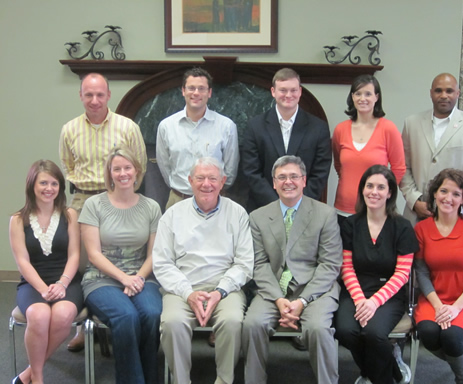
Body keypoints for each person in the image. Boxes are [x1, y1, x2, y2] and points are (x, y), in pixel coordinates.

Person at [59, 72, 147, 351]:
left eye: (100, 94)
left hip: (119, 200)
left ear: (109, 95)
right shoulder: (69, 129)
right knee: (82, 265)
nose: (94, 100)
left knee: (121, 259)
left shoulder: (127, 127)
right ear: (81, 96)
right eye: (88, 95)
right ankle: (84, 327)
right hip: (83, 201)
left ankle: (121, 311)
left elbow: (139, 165)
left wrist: (121, 193)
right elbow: (67, 166)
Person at [153, 157, 253, 384]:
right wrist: (188, 293)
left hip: (225, 288)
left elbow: (244, 263)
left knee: (232, 321)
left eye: (212, 178)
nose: (206, 184)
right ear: (190, 181)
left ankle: (224, 381)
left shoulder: (238, 214)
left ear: (223, 181)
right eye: (200, 178)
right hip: (183, 288)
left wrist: (220, 291)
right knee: (172, 323)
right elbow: (162, 263)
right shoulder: (172, 215)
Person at [242, 155, 342, 384]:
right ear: (274, 183)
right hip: (273, 289)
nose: (288, 182)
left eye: (294, 176)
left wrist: (302, 302)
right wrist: (279, 300)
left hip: (315, 289)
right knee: (252, 324)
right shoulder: (257, 217)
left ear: (304, 180)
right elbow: (259, 264)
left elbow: (330, 264)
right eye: (282, 177)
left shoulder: (325, 214)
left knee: (317, 329)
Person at [79, 146, 162, 384]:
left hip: (141, 276)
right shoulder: (94, 205)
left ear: (137, 171)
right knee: (126, 316)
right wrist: (124, 278)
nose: (123, 173)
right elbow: (93, 254)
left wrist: (137, 278)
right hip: (101, 278)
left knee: (153, 313)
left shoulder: (151, 207)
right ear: (110, 173)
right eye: (117, 169)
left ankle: (149, 378)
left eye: (128, 168)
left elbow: (154, 255)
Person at [334, 165, 419, 384]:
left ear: (390, 193)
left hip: (389, 293)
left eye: (381, 187)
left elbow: (402, 273)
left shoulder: (402, 226)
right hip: (356, 292)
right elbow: (347, 268)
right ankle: (390, 370)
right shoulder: (350, 224)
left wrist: (374, 303)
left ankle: (380, 379)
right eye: (369, 186)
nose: (374, 191)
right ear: (362, 190)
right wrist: (361, 299)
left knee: (373, 333)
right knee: (345, 331)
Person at [9, 160, 82, 384]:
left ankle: (28, 374)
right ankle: (38, 377)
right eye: (43, 183)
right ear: (32, 185)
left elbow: (75, 256)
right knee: (38, 316)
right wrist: (42, 289)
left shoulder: (70, 215)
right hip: (33, 284)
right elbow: (22, 261)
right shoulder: (18, 220)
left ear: (60, 187)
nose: (48, 188)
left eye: (54, 183)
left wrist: (61, 284)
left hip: (67, 281)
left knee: (61, 316)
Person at [414, 169, 463, 384]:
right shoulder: (421, 229)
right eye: (443, 191)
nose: (449, 198)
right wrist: (439, 306)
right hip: (434, 298)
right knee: (427, 332)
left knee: (452, 336)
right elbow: (421, 272)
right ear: (434, 194)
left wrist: (455, 308)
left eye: (456, 194)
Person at [400, 73, 463, 224]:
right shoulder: (411, 123)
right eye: (438, 90)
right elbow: (402, 167)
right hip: (416, 214)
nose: (443, 95)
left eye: (449, 91)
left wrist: (449, 201)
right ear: (430, 93)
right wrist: (414, 201)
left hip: (453, 214)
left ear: (458, 93)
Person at [242, 68, 332, 211]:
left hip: (305, 209)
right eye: (283, 90)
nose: (288, 95)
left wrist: (297, 203)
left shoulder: (318, 128)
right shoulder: (255, 126)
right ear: (273, 92)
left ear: (300, 92)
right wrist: (277, 204)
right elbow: (251, 171)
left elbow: (320, 172)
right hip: (263, 208)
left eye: (293, 90)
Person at [156, 67, 239, 209]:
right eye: (191, 88)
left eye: (201, 88)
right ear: (183, 91)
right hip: (178, 200)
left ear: (209, 93)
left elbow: (230, 171)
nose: (196, 93)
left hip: (215, 201)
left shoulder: (226, 126)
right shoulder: (166, 126)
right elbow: (165, 167)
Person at [332, 75, 405, 227]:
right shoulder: (340, 129)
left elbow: (398, 168)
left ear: (376, 97)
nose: (362, 98)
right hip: (343, 209)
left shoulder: (388, 129)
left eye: (368, 94)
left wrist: (382, 195)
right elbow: (339, 166)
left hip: (375, 211)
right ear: (352, 97)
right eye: (358, 93)